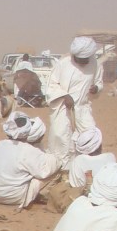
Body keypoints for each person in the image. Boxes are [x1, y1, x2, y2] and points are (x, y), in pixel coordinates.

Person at [44, 36, 104, 168]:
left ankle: (87, 169)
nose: (83, 62)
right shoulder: (63, 64)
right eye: (80, 59)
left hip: (83, 109)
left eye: (85, 59)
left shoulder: (95, 64)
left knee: (91, 137)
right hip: (62, 109)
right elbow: (51, 85)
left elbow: (99, 82)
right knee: (61, 139)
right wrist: (64, 95)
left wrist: (96, 88)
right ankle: (63, 170)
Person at [0, 112, 58, 209]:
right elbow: (45, 171)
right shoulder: (26, 149)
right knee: (55, 171)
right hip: (16, 198)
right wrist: (56, 158)